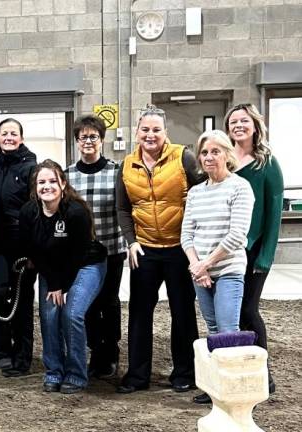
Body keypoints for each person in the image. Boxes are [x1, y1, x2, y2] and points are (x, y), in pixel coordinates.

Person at [115, 105, 203, 394]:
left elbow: (204, 193)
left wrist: (196, 240)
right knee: (139, 314)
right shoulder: (127, 165)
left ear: (165, 132)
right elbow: (123, 208)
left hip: (180, 249)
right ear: (137, 132)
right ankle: (138, 375)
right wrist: (131, 241)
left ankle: (184, 373)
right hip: (145, 251)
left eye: (156, 130)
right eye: (145, 129)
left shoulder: (183, 158)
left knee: (182, 312)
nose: (150, 135)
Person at [20, 159, 107, 394]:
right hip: (51, 269)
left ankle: (77, 374)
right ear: (35, 187)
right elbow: (35, 252)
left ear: (63, 184)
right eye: (41, 182)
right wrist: (55, 284)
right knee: (49, 315)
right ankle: (54, 371)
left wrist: (64, 286)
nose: (46, 186)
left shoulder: (76, 212)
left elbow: (76, 255)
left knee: (71, 313)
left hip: (85, 265)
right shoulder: (29, 212)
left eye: (52, 181)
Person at [181, 130, 254, 404]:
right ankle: (216, 388)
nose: (209, 157)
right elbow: (186, 235)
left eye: (215, 151)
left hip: (228, 270)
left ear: (227, 154)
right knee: (212, 329)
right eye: (204, 152)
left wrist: (207, 264)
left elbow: (237, 235)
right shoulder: (196, 192)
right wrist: (196, 267)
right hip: (200, 271)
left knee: (227, 329)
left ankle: (234, 392)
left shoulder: (240, 187)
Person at [224, 103, 284, 394]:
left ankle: (264, 374)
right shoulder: (225, 159)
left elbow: (274, 213)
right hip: (227, 250)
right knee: (229, 315)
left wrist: (265, 256)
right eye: (233, 121)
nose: (238, 126)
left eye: (244, 121)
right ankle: (237, 374)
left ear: (255, 125)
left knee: (248, 309)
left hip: (254, 250)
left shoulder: (266, 162)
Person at [66, 115, 126, 379]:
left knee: (109, 302)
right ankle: (94, 350)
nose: (88, 141)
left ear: (102, 140)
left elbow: (124, 209)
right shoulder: (68, 175)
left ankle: (110, 352)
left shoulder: (116, 171)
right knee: (87, 304)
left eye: (93, 137)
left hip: (112, 248)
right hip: (81, 254)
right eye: (83, 137)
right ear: (77, 142)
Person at [0, 118, 38, 377]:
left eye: (13, 133)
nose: (8, 137)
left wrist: (32, 250)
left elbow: (36, 209)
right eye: (4, 133)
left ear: (21, 138)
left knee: (22, 299)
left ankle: (22, 355)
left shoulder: (31, 167)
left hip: (22, 246)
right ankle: (1, 351)